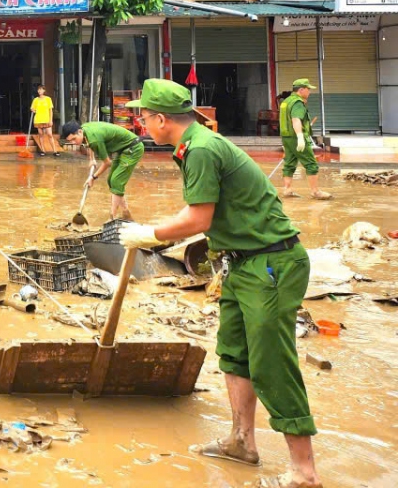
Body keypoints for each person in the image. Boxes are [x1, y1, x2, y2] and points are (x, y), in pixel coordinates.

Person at [121, 79, 319, 488]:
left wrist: (151, 234)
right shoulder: (192, 146)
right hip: (241, 263)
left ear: (160, 120)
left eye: (143, 116)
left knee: (272, 364)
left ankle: (304, 472)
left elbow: (198, 220)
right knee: (234, 353)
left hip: (271, 263)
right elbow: (200, 207)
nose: (140, 122)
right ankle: (241, 442)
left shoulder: (203, 149)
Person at [60, 118, 143, 220]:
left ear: (80, 131)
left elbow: (107, 162)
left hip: (133, 148)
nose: (73, 142)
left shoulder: (94, 139)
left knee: (116, 181)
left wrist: (93, 178)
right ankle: (126, 214)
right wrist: (92, 159)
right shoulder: (85, 129)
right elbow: (89, 143)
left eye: (74, 139)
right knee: (110, 181)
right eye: (70, 141)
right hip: (122, 149)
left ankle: (112, 217)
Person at [280, 79, 329, 200]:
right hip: (296, 137)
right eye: (308, 89)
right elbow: (295, 119)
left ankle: (287, 190)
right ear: (301, 90)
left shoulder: (286, 101)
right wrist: (300, 137)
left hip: (286, 137)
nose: (310, 92)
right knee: (311, 163)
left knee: (289, 163)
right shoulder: (297, 103)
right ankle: (315, 192)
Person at [30, 85, 61, 155]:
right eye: (38, 90)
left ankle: (55, 151)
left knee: (50, 134)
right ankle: (43, 150)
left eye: (41, 89)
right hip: (38, 119)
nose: (39, 91)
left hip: (46, 119)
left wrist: (51, 120)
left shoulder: (48, 99)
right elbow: (32, 108)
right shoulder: (35, 100)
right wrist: (33, 110)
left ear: (44, 90)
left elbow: (50, 110)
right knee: (41, 135)